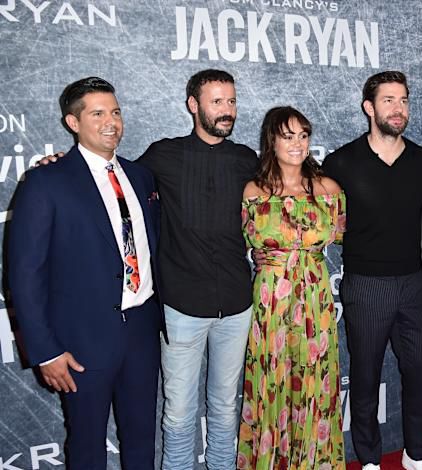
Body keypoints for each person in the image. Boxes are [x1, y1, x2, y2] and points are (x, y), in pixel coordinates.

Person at [38, 69, 258, 470]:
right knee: (178, 411)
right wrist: (58, 165)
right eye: (216, 101)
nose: (226, 110)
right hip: (180, 308)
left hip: (237, 304)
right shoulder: (160, 157)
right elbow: (100, 177)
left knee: (226, 406)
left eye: (231, 101)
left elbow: (286, 181)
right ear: (193, 105)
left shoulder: (247, 160)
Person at [8, 77, 162, 469]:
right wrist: (45, 350)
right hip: (80, 340)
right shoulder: (46, 181)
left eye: (115, 112)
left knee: (142, 438)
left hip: (142, 329)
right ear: (73, 122)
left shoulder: (140, 176)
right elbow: (25, 274)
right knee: (87, 444)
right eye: (97, 114)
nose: (111, 122)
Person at [322, 71, 422, 470]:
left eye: (403, 100)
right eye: (388, 100)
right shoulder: (341, 162)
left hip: (415, 284)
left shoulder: (421, 159)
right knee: (366, 376)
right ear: (369, 108)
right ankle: (370, 459)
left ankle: (417, 454)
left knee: (420, 372)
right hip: (366, 285)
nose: (398, 108)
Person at [236, 106, 346, 469]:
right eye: (288, 136)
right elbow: (240, 242)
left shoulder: (329, 190)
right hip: (271, 299)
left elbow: (345, 236)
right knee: (271, 381)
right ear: (272, 141)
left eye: (303, 135)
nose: (297, 143)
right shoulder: (253, 192)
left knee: (316, 381)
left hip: (315, 297)